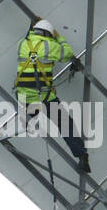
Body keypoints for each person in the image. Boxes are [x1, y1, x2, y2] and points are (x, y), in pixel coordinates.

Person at [14, 17, 90, 172]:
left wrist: (31, 26)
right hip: (44, 98)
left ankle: (27, 119)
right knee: (65, 124)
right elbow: (68, 53)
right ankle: (81, 156)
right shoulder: (51, 45)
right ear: (49, 34)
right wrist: (58, 36)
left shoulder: (22, 44)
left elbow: (29, 39)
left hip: (24, 99)